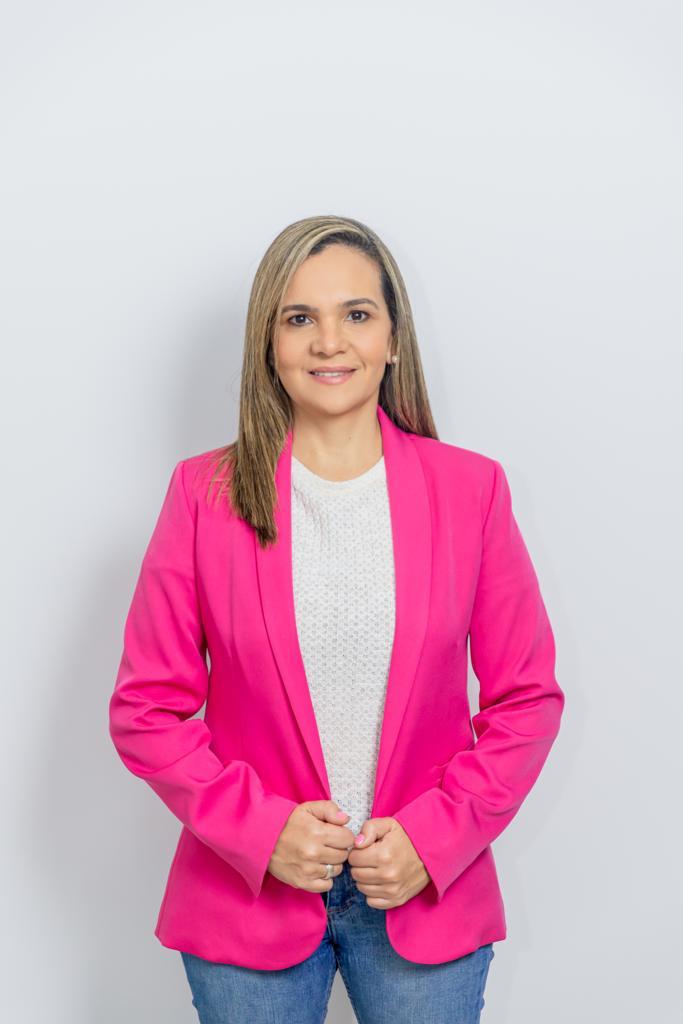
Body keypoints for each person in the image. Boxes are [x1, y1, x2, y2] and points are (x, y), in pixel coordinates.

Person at [109, 214, 565, 1023]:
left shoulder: (471, 492)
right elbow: (147, 711)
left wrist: (434, 838)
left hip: (423, 895)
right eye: (299, 318)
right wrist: (261, 832)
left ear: (392, 339)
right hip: (247, 902)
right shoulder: (202, 496)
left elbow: (525, 700)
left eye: (356, 313)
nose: (329, 342)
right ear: (268, 344)